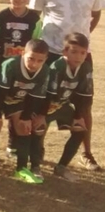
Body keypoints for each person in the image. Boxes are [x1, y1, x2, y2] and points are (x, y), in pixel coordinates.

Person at [30, 0, 102, 171]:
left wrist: (83, 40)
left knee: (84, 104)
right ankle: (38, 148)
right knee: (45, 102)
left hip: (81, 56)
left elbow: (96, 15)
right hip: (51, 53)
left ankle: (87, 153)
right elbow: (34, 19)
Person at [0, 39, 49, 184]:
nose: (34, 64)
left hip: (16, 99)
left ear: (45, 59)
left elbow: (34, 96)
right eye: (31, 58)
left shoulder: (45, 71)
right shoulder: (11, 65)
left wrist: (26, 117)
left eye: (40, 61)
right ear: (22, 54)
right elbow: (1, 91)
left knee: (24, 127)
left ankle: (20, 169)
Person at [0, 0, 41, 159]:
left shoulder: (35, 19)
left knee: (18, 106)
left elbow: (37, 43)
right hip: (4, 70)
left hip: (24, 71)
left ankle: (12, 146)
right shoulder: (0, 17)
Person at [41, 33, 92, 182]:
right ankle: (35, 165)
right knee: (38, 133)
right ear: (64, 52)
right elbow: (48, 94)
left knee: (81, 130)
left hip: (62, 105)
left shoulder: (85, 67)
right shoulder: (57, 66)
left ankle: (61, 167)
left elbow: (84, 96)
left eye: (82, 53)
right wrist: (41, 116)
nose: (78, 56)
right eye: (74, 51)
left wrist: (78, 117)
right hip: (45, 105)